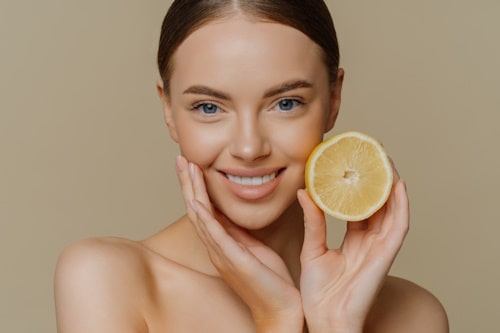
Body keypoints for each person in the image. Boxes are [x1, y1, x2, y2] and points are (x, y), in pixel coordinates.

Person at [54, 1, 449, 332]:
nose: (248, 147)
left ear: (333, 100)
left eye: (286, 103)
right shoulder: (107, 280)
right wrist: (276, 319)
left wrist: (336, 324)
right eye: (208, 107)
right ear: (168, 110)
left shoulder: (414, 317)